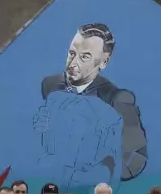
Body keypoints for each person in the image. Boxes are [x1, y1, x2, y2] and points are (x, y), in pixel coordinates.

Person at [38, 23, 147, 182]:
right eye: (71, 53)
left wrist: (100, 175)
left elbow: (136, 157)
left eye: (85, 57)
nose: (73, 63)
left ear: (103, 62)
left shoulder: (117, 99)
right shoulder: (51, 86)